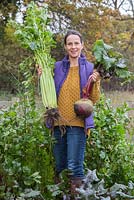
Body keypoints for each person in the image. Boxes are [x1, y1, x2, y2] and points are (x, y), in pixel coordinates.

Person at [38, 30, 100, 196]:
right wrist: (40, 76)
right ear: (65, 46)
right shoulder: (57, 66)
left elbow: (93, 99)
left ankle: (75, 195)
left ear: (82, 45)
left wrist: (96, 82)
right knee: (59, 165)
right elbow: (49, 89)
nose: (73, 47)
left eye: (76, 43)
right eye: (70, 44)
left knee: (74, 165)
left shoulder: (89, 67)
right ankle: (61, 194)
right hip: (58, 123)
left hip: (78, 124)